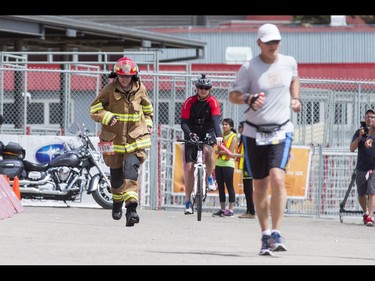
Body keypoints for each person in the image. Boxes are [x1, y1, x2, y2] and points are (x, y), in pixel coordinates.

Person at [228, 23, 302, 255]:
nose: (273, 45)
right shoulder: (249, 68)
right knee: (260, 184)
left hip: (281, 130)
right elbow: (232, 95)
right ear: (259, 43)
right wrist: (248, 98)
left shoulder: (289, 62)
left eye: (276, 41)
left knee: (278, 177)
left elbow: (295, 78)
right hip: (253, 132)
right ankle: (265, 234)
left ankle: (277, 232)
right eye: (268, 41)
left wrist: (295, 98)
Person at [89, 57, 153, 227]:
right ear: (116, 75)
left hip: (135, 140)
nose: (124, 79)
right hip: (113, 140)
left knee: (131, 171)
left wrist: (148, 125)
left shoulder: (141, 89)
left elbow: (148, 110)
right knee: (116, 178)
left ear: (134, 76)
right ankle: (117, 203)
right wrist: (107, 117)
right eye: (121, 76)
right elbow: (94, 109)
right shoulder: (109, 90)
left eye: (128, 76)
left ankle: (131, 210)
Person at [180, 74, 223, 215]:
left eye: (206, 88)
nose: (203, 90)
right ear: (196, 89)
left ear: (210, 89)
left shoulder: (213, 102)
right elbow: (184, 123)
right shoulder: (189, 102)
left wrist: (219, 136)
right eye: (201, 88)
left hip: (207, 131)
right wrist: (190, 134)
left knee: (209, 150)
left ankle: (209, 176)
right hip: (192, 131)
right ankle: (187, 201)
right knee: (189, 167)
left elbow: (216, 121)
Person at [351, 109, 375, 226]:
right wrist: (360, 137)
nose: (370, 119)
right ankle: (365, 213)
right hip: (361, 167)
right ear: (365, 118)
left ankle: (370, 217)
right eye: (368, 117)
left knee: (372, 192)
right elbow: (351, 148)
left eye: (372, 117)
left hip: (373, 167)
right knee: (361, 194)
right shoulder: (359, 132)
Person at [212, 118, 238, 217]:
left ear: (231, 126)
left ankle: (231, 209)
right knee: (221, 187)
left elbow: (230, 152)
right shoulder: (221, 136)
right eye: (223, 124)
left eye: (226, 124)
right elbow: (218, 148)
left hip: (228, 164)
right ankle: (222, 209)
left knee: (229, 186)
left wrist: (219, 152)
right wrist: (219, 151)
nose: (224, 126)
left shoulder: (234, 137)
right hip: (219, 163)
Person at [232, 121, 256, 219]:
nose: (239, 129)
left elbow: (248, 154)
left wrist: (234, 155)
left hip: (248, 165)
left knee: (248, 189)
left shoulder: (248, 139)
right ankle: (249, 210)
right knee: (247, 189)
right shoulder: (243, 138)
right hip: (244, 165)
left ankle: (251, 212)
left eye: (240, 127)